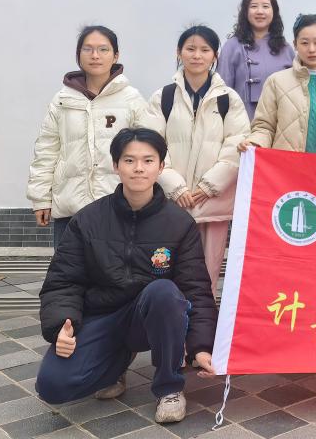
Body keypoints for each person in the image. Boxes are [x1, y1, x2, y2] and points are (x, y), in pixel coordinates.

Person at [34, 127, 217, 425]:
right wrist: (60, 328)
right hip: (101, 316)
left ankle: (169, 387)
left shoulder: (179, 223)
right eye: (129, 160)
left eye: (148, 160)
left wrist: (201, 346)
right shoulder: (88, 219)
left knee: (164, 292)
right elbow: (63, 280)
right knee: (53, 387)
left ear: (161, 166)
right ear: (116, 165)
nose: (138, 168)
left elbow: (195, 287)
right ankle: (116, 363)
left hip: (147, 317)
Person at [139, 26, 250, 295]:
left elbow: (237, 144)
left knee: (208, 269)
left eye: (204, 50)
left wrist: (210, 185)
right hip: (172, 201)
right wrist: (175, 187)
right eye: (190, 49)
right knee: (166, 266)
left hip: (212, 200)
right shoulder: (163, 97)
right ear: (179, 53)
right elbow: (150, 145)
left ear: (215, 55)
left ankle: (203, 317)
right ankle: (169, 315)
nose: (197, 55)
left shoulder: (228, 99)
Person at [28, 26, 146, 248]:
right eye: (88, 49)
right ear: (78, 54)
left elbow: (148, 152)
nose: (95, 55)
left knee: (116, 267)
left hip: (117, 205)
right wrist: (41, 198)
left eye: (103, 49)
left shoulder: (131, 99)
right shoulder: (62, 99)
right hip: (71, 207)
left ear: (115, 56)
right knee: (68, 267)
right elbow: (46, 150)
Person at [243, 14, 316, 154]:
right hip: (287, 165)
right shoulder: (276, 82)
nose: (311, 49)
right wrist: (254, 142)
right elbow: (264, 126)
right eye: (304, 43)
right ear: (295, 44)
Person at [218, 0, 294, 120]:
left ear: (274, 12)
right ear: (245, 11)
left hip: (280, 122)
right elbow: (222, 90)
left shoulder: (286, 48)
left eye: (266, 6)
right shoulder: (232, 46)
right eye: (253, 6)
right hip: (241, 122)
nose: (260, 11)